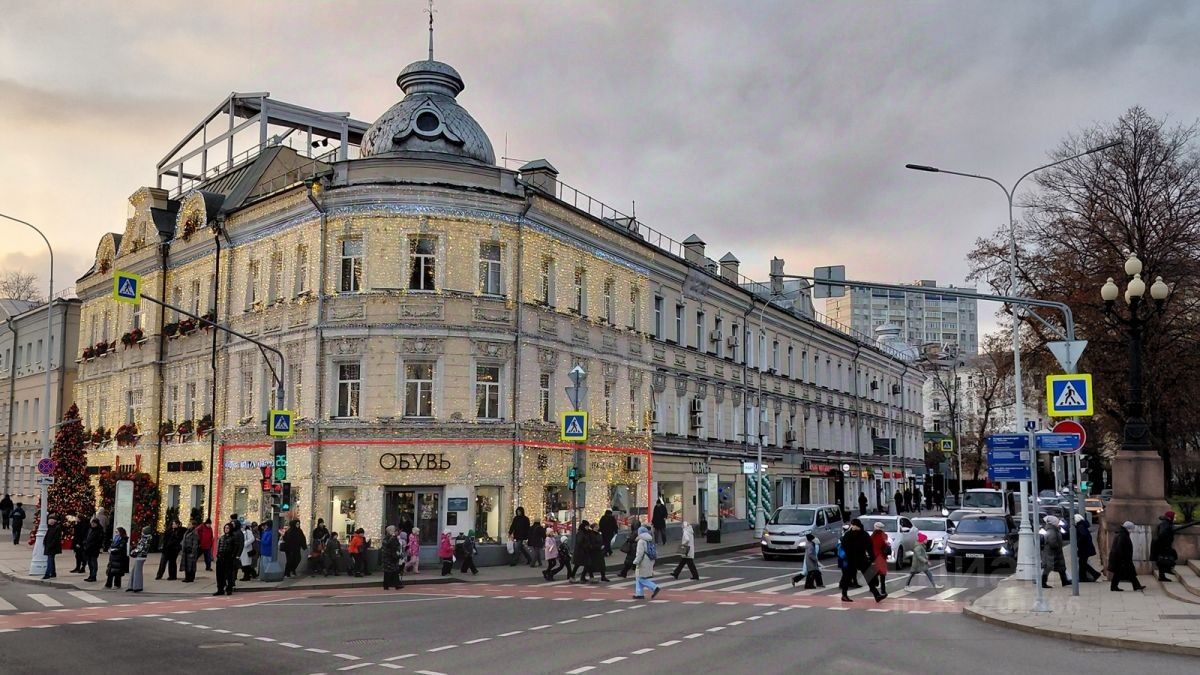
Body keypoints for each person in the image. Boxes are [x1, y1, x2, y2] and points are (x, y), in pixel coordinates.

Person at [839, 519, 881, 603]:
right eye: (852, 525)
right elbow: (843, 544)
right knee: (847, 577)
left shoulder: (864, 534)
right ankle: (844, 595)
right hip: (851, 559)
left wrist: (872, 558)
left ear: (857, 525)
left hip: (861, 558)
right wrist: (848, 553)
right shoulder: (848, 534)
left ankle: (877, 595)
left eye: (853, 525)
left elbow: (869, 547)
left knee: (868, 576)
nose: (852, 526)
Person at [1109, 521, 1145, 592]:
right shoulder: (1122, 535)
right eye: (1131, 529)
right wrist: (1122, 558)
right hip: (1121, 558)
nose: (1132, 531)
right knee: (1121, 572)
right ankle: (1114, 587)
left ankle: (1136, 586)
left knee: (1128, 572)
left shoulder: (1122, 533)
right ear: (1128, 528)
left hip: (1121, 557)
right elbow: (1120, 547)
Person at [1040, 516, 1071, 588]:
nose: (1058, 523)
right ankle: (1043, 583)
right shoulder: (1052, 531)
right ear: (1053, 523)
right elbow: (1052, 542)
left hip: (1055, 553)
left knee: (1061, 568)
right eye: (1057, 522)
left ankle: (1065, 581)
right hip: (1052, 553)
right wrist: (1057, 546)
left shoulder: (1054, 530)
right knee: (1048, 568)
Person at [632, 525, 660, 600]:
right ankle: (639, 594)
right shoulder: (650, 539)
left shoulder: (641, 541)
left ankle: (654, 587)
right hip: (650, 559)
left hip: (643, 560)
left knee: (640, 577)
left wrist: (636, 561)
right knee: (639, 577)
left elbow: (640, 553)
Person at [1073, 514, 1100, 582]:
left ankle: (1094, 574)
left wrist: (1078, 542)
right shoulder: (1082, 525)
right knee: (1082, 563)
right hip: (1086, 547)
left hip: (1084, 548)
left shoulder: (1080, 526)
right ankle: (1084, 577)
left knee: (1082, 563)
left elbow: (1083, 536)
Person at [1153, 510, 1178, 581]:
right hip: (1163, 545)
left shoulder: (1167, 523)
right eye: (1174, 516)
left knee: (1162, 560)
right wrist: (1167, 539)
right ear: (1170, 517)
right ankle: (1168, 569)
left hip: (1163, 545)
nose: (1175, 518)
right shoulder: (1165, 523)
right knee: (1173, 556)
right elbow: (1162, 534)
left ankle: (1162, 576)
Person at [214, 523, 238, 595]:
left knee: (228, 574)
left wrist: (232, 556)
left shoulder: (233, 538)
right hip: (220, 558)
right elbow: (219, 547)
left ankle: (229, 589)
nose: (226, 529)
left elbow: (235, 548)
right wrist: (218, 555)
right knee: (219, 574)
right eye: (225, 528)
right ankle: (220, 589)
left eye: (227, 528)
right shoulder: (222, 537)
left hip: (228, 558)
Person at [870, 521, 890, 600]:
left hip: (874, 556)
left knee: (875, 571)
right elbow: (885, 544)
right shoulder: (884, 535)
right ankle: (883, 589)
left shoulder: (872, 536)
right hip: (882, 556)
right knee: (882, 574)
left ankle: (873, 584)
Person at [128, 526, 151, 592]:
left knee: (137, 571)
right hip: (141, 556)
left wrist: (133, 552)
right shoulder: (146, 538)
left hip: (140, 556)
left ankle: (137, 586)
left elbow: (140, 548)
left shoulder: (144, 539)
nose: (141, 532)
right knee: (135, 570)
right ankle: (133, 585)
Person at [42, 514, 62, 579]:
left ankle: (47, 574)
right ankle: (53, 573)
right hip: (49, 546)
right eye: (49, 519)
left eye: (51, 519)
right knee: (51, 560)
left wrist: (50, 545)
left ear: (54, 520)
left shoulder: (57, 527)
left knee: (49, 560)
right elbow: (47, 536)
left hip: (52, 547)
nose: (49, 521)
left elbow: (56, 539)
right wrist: (44, 542)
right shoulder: (50, 527)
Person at [82, 517, 103, 581]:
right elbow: (86, 537)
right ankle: (91, 575)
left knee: (93, 563)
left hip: (94, 549)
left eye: (94, 523)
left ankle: (94, 576)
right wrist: (85, 543)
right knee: (89, 563)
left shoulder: (99, 531)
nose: (93, 524)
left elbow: (98, 541)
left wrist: (91, 545)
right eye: (92, 523)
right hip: (88, 549)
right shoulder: (90, 529)